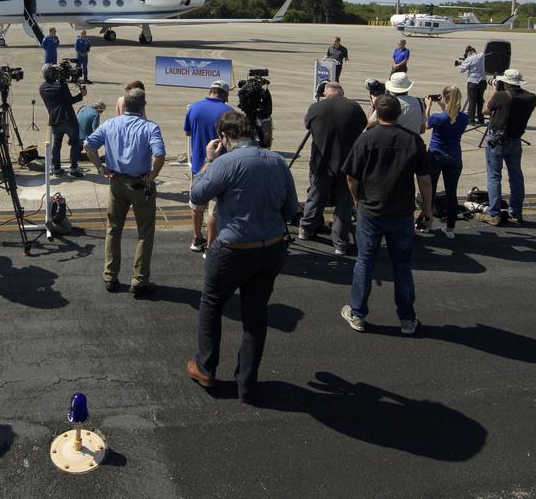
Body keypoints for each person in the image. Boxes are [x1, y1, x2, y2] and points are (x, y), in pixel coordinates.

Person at [185, 111, 298, 403]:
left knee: (211, 303)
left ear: (224, 138)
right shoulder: (276, 161)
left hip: (234, 250)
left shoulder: (225, 162)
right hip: (271, 248)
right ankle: (247, 383)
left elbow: (197, 195)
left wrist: (209, 159)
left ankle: (206, 366)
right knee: (255, 315)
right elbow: (290, 210)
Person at [340, 94, 434, 335]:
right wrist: (427, 209)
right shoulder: (413, 140)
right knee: (402, 266)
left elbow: (351, 176)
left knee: (365, 263)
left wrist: (357, 200)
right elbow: (424, 179)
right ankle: (407, 319)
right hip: (401, 212)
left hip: (370, 211)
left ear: (377, 113)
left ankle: (358, 313)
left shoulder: (365, 139)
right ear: (399, 114)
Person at [84, 88, 166, 294]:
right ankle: (139, 279)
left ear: (124, 105)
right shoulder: (150, 127)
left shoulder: (111, 123)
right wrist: (153, 175)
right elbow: (160, 154)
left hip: (116, 182)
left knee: (113, 229)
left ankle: (110, 276)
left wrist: (100, 168)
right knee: (145, 233)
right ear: (143, 106)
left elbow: (88, 144)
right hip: (140, 184)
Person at [299, 82, 366, 255]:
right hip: (348, 165)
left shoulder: (316, 108)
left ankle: (306, 229)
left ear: (326, 93)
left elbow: (308, 125)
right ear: (342, 93)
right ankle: (341, 244)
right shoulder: (355, 107)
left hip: (322, 163)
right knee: (344, 205)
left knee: (315, 198)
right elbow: (364, 125)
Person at [481, 69, 536, 225]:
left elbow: (485, 110)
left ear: (505, 82)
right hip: (515, 139)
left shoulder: (501, 96)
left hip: (497, 139)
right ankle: (516, 212)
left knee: (494, 176)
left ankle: (494, 213)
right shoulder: (531, 98)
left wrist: (492, 90)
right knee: (516, 176)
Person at [184, 81, 234, 252]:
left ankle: (196, 238)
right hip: (220, 167)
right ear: (224, 94)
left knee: (197, 204)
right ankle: (211, 247)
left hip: (198, 164)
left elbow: (188, 132)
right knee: (214, 208)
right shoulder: (228, 112)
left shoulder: (194, 108)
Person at [425, 85, 469, 239]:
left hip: (436, 154)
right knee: (452, 193)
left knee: (430, 190)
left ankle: (427, 223)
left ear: (445, 97)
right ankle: (450, 227)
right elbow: (451, 117)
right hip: (454, 156)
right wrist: (444, 105)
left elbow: (426, 124)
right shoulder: (464, 118)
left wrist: (428, 107)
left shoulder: (438, 117)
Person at [39, 64, 87, 178]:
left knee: (57, 144)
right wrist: (81, 95)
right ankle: (73, 169)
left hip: (54, 120)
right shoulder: (61, 85)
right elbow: (70, 100)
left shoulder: (42, 88)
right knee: (75, 143)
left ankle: (57, 169)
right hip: (68, 118)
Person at [457, 45, 487, 124]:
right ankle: (481, 119)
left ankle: (471, 120)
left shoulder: (469, 59)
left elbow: (462, 70)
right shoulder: (482, 55)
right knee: (480, 101)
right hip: (483, 81)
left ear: (469, 53)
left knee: (472, 101)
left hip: (473, 82)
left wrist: (463, 62)